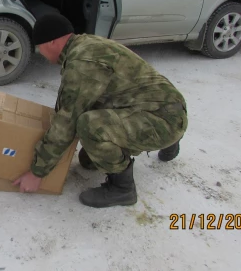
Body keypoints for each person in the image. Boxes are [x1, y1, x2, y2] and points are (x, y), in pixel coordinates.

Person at [13, 14, 188, 208]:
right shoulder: (86, 44)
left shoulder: (82, 65)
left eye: (40, 48)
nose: (42, 55)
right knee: (89, 161)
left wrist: (37, 172)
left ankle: (122, 189)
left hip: (162, 119)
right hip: (165, 106)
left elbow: (67, 120)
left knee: (90, 126)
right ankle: (169, 140)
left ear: (52, 42)